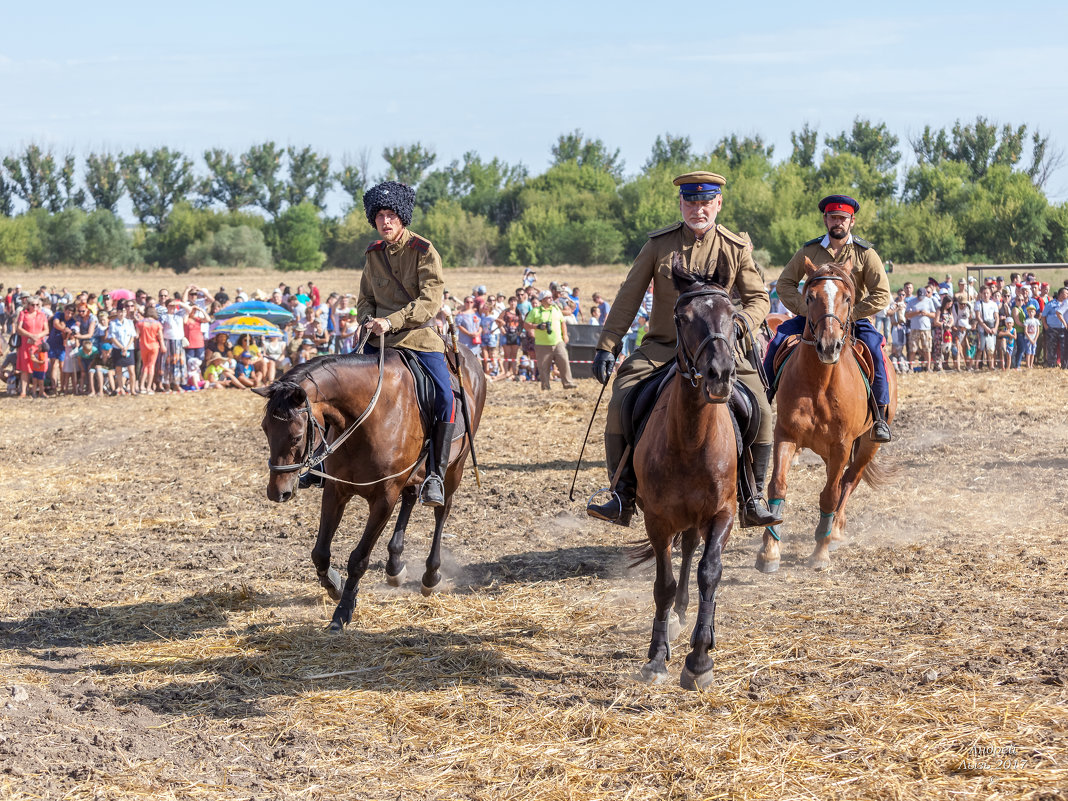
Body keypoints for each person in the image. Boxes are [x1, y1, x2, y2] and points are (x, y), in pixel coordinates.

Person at [587, 171, 778, 528]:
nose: (698, 209)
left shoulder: (735, 248)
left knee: (763, 412)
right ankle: (621, 493)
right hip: (663, 349)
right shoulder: (659, 245)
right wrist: (608, 345)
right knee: (621, 401)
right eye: (691, 202)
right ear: (681, 204)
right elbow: (628, 296)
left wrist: (737, 326)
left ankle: (753, 496)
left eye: (706, 202)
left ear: (718, 204)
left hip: (720, 352)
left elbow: (759, 299)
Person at [357, 180, 456, 507]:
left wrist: (391, 321)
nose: (385, 221)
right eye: (380, 216)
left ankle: (436, 474)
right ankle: (322, 460)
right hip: (378, 339)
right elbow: (365, 299)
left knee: (444, 395)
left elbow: (430, 302)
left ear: (402, 217)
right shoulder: (373, 255)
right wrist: (367, 320)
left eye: (391, 215)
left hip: (418, 338)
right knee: (340, 386)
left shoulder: (424, 251)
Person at [764, 194, 893, 442]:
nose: (838, 222)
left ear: (851, 221)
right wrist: (806, 309)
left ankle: (879, 416)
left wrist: (852, 313)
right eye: (833, 217)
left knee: (875, 349)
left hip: (852, 319)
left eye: (843, 218)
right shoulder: (809, 250)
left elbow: (882, 294)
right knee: (778, 340)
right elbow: (784, 283)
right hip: (813, 319)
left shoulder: (866, 253)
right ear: (825, 219)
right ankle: (763, 401)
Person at [524, 289, 576, 391]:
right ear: (542, 300)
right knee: (544, 367)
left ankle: (568, 383)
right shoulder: (535, 311)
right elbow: (526, 325)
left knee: (564, 362)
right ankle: (545, 386)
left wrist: (565, 335)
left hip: (558, 342)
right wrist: (537, 326)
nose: (551, 299)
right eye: (548, 297)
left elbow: (562, 322)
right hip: (542, 344)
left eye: (551, 297)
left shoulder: (556, 309)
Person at [14, 296, 49, 398]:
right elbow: (19, 328)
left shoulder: (42, 315)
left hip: (39, 345)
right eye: (32, 305)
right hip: (26, 344)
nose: (35, 307)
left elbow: (46, 330)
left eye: (37, 305)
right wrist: (30, 335)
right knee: (25, 368)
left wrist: (38, 336)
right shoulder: (23, 314)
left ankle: (40, 390)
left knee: (40, 367)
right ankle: (23, 391)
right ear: (28, 305)